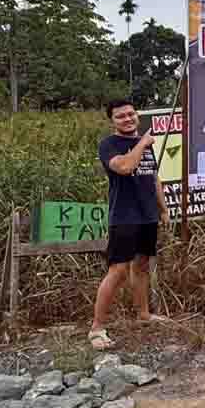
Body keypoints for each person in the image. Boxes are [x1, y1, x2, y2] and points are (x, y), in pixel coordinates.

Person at [89, 98, 170, 350]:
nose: (127, 119)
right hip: (124, 217)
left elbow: (153, 176)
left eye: (131, 114)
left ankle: (144, 315)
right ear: (112, 121)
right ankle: (97, 328)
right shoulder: (109, 145)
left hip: (147, 216)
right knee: (118, 271)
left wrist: (163, 209)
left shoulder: (143, 144)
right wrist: (142, 143)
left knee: (142, 266)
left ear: (137, 115)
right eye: (121, 116)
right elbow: (124, 167)